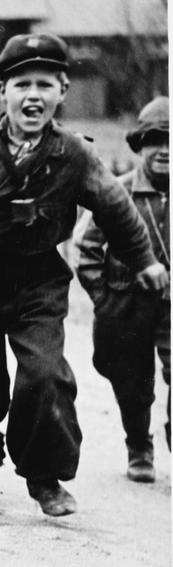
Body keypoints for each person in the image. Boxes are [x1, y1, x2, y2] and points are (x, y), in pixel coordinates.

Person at [0, 33, 168, 517]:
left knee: (45, 373)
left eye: (45, 84)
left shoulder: (74, 154)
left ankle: (45, 476)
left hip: (38, 275)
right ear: (2, 92)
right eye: (22, 84)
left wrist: (147, 263)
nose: (34, 95)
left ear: (63, 90)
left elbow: (117, 210)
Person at [74, 96, 170, 483]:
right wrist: (105, 299)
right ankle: (139, 446)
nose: (164, 151)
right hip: (128, 305)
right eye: (154, 141)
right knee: (133, 382)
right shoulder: (117, 192)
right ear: (139, 145)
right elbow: (86, 251)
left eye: (172, 141)